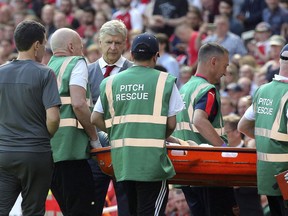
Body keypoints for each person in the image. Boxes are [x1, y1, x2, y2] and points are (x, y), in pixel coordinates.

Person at [91, 32, 184, 215]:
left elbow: (94, 118)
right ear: (156, 56)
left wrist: (116, 133)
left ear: (131, 55)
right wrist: (154, 134)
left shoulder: (110, 82)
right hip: (152, 162)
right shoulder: (165, 81)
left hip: (122, 161)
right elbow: (171, 124)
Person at [0, 20, 61, 215]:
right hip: (35, 153)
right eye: (44, 43)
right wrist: (44, 136)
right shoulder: (45, 73)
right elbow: (53, 118)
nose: (44, 48)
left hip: (4, 153)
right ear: (36, 45)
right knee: (33, 211)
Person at [172, 42, 237, 216]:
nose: (225, 72)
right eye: (225, 66)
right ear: (214, 61)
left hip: (187, 171)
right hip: (209, 171)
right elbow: (199, 120)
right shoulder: (207, 90)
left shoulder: (184, 89)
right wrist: (225, 151)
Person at [48, 27, 100, 215]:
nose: (82, 50)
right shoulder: (76, 62)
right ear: (71, 46)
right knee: (82, 207)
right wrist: (94, 137)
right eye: (80, 45)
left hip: (51, 151)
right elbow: (79, 104)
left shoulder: (48, 67)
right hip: (72, 149)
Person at [87, 19, 133, 216]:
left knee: (127, 206)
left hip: (125, 151)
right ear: (100, 42)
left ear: (125, 44)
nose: (113, 47)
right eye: (109, 42)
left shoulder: (134, 72)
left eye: (118, 42)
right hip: (93, 151)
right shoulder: (85, 72)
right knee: (90, 205)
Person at [238, 44, 288, 216]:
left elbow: (242, 126)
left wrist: (266, 142)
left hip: (267, 171)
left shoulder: (262, 90)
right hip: (285, 171)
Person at [223, 114, 264, 216]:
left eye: (225, 133)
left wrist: (239, 185)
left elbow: (259, 181)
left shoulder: (249, 153)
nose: (222, 136)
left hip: (250, 209)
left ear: (237, 132)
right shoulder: (221, 154)